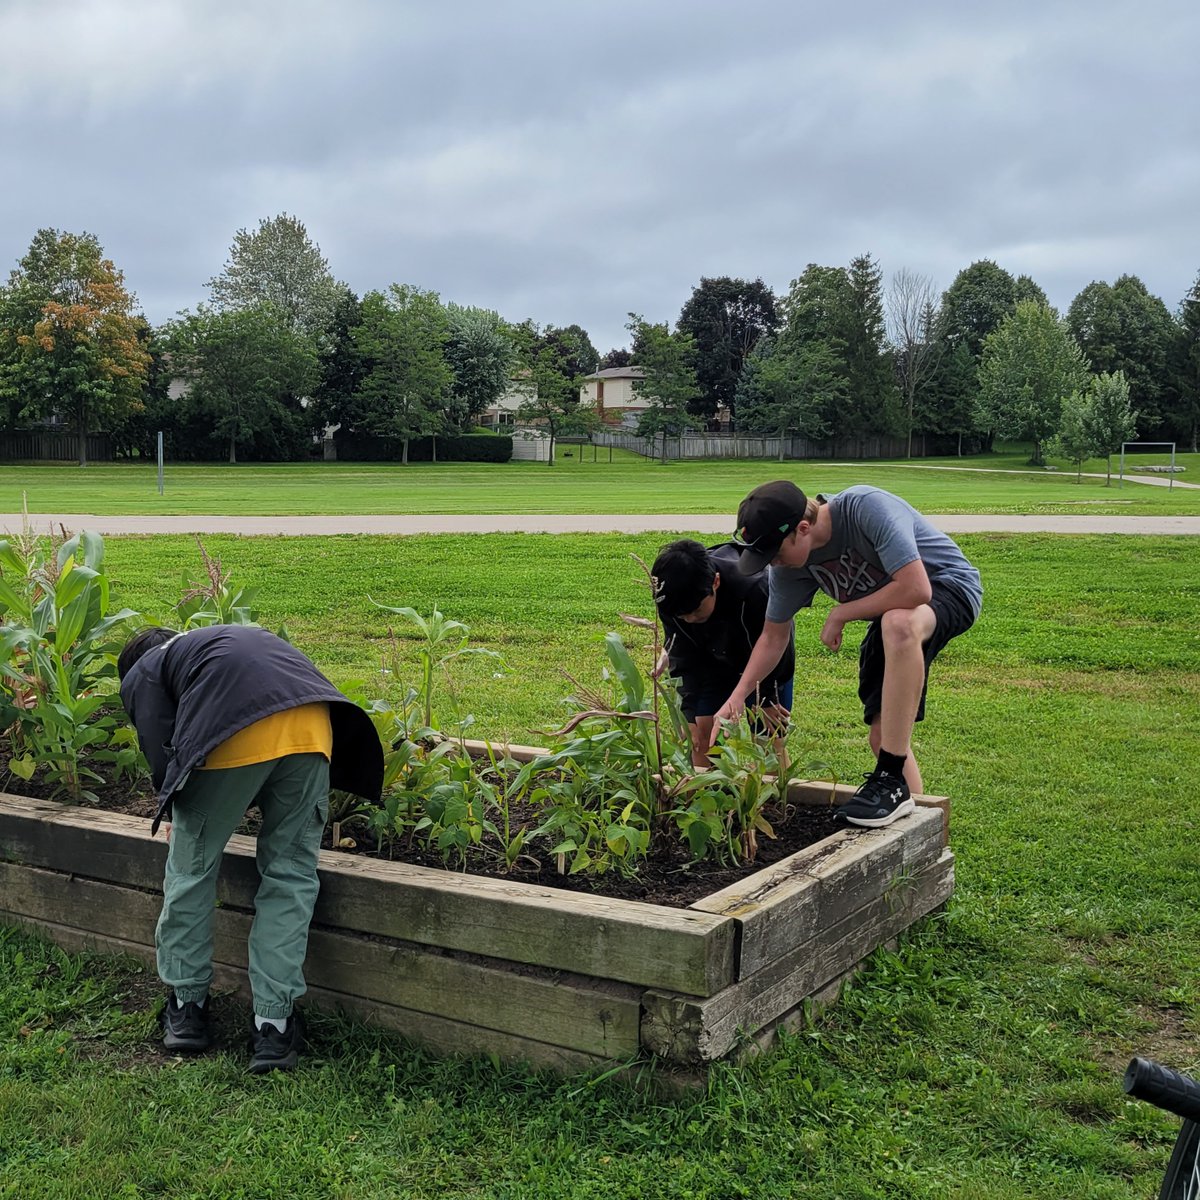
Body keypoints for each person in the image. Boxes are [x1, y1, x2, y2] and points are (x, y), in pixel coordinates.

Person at [117, 623, 383, 1073]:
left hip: (233, 729)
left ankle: (187, 1012)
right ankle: (274, 1028)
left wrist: (175, 803)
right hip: (311, 730)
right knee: (291, 876)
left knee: (192, 871)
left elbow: (161, 745)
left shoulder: (147, 665)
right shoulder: (219, 639)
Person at [711, 480, 981, 828]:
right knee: (883, 736)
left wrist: (841, 612)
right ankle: (918, 827)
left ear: (803, 529)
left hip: (948, 586)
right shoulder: (791, 567)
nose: (773, 563)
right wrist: (737, 697)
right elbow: (772, 637)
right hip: (892, 617)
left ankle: (888, 780)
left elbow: (916, 588)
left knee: (898, 625)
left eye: (774, 553)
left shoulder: (865, 507)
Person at [652, 539, 794, 768]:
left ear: (715, 582)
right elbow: (681, 653)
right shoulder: (668, 598)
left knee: (768, 737)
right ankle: (707, 799)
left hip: (760, 661)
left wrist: (767, 696)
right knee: (700, 737)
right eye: (682, 616)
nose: (690, 620)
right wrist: (687, 714)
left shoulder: (756, 587)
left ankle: (778, 800)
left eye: (696, 611)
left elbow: (778, 643)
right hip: (709, 659)